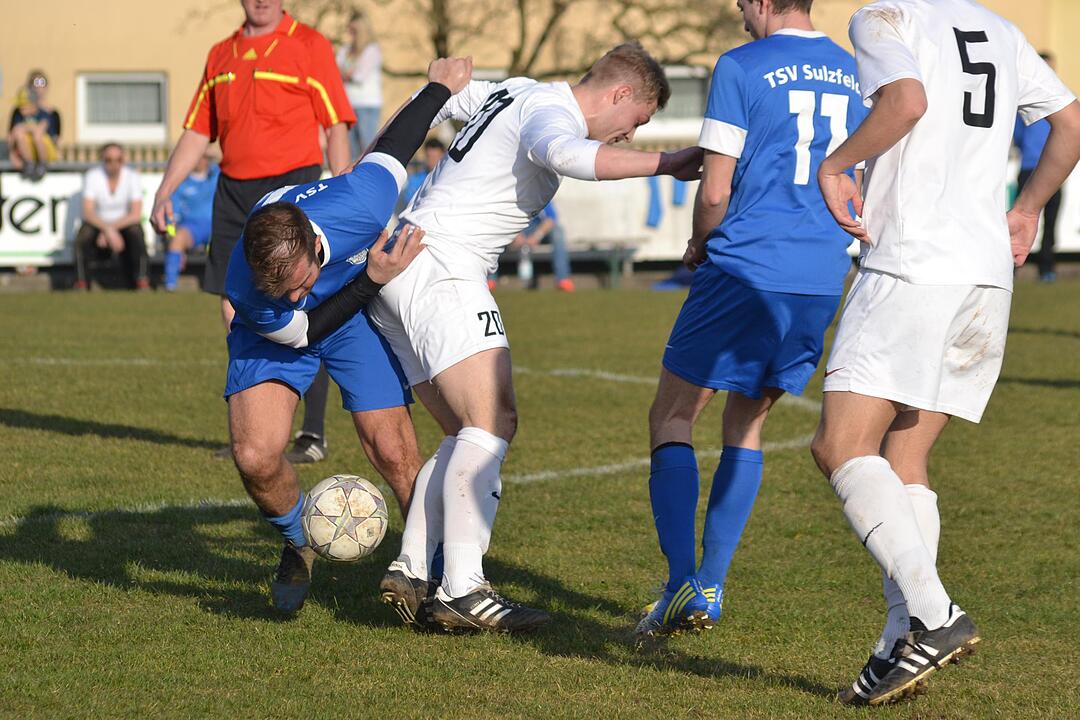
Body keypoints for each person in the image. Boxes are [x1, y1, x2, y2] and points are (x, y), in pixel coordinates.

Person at [369, 41, 702, 634]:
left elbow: (439, 93)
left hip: (402, 262)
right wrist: (669, 162)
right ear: (620, 94)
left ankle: (413, 568)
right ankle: (465, 589)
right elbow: (568, 155)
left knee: (462, 429)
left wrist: (376, 162)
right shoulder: (551, 113)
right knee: (494, 421)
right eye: (636, 121)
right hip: (443, 265)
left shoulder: (517, 89)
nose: (627, 135)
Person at [812, 0, 1080, 706]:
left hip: (912, 265)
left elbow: (906, 101)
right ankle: (901, 637)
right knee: (905, 456)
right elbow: (1071, 123)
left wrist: (836, 163)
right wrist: (1027, 208)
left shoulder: (885, 18)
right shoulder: (1000, 27)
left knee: (840, 447)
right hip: (985, 274)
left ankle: (934, 615)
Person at [636, 0, 866, 639]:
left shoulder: (740, 66)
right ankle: (711, 586)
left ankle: (682, 582)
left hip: (743, 267)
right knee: (748, 425)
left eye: (742, 3)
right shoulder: (855, 70)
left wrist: (698, 244)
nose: (740, 14)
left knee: (673, 414)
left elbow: (714, 190)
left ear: (763, 2)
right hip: (818, 276)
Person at [224, 58, 473, 615]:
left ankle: (435, 577)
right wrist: (372, 278)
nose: (292, 293)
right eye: (280, 290)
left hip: (352, 321)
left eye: (299, 283)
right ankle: (298, 542)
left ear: (316, 247)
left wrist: (439, 85)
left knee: (395, 452)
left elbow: (396, 146)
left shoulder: (361, 203)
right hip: (289, 335)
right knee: (255, 457)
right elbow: (306, 324)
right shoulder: (252, 286)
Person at [150, 0, 355, 463]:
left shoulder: (309, 44)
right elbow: (198, 131)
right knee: (233, 307)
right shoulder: (221, 53)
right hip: (234, 193)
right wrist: (166, 189)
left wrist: (344, 194)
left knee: (301, 304)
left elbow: (337, 124)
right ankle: (258, 432)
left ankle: (313, 435)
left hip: (291, 188)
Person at [74, 143, 149, 290]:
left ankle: (142, 280)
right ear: (102, 160)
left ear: (123, 160)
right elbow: (88, 212)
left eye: (118, 160)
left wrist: (111, 230)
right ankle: (81, 282)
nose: (114, 164)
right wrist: (107, 230)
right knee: (83, 236)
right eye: (109, 160)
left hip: (123, 223)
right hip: (98, 223)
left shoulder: (132, 176)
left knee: (136, 233)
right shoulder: (93, 176)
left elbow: (135, 214)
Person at [1014, 52, 1062, 282]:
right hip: (1030, 169)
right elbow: (1017, 135)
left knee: (1050, 223)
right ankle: (1011, 267)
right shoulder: (1025, 102)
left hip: (1055, 173)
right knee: (1019, 219)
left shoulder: (1061, 102)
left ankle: (1047, 268)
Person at [164, 151, 220, 291]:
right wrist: (171, 236)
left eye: (203, 156)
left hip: (218, 225)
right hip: (191, 228)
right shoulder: (180, 182)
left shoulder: (217, 175)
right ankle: (170, 285)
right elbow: (171, 217)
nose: (200, 160)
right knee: (177, 239)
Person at [337, 11, 383, 158]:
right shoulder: (345, 50)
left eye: (354, 31)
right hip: (348, 104)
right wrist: (346, 74)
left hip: (367, 105)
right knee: (351, 150)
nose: (351, 35)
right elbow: (334, 70)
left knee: (367, 146)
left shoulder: (372, 50)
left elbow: (359, 76)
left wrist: (345, 74)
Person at [8, 71, 60, 181]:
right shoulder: (18, 112)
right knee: (19, 133)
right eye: (36, 83)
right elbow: (12, 134)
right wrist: (13, 155)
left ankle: (40, 164)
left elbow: (54, 137)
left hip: (44, 152)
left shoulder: (50, 113)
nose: (39, 88)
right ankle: (30, 164)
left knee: (35, 134)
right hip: (25, 155)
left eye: (42, 83)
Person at [398, 138, 445, 213]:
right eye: (429, 156)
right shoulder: (415, 179)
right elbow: (409, 203)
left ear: (443, 156)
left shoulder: (446, 178)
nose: (431, 160)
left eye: (435, 157)